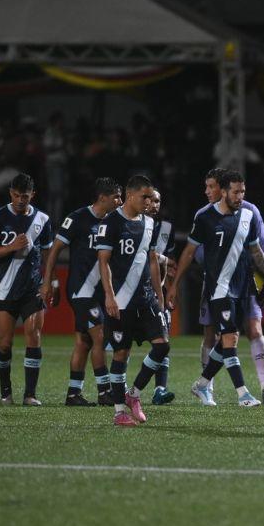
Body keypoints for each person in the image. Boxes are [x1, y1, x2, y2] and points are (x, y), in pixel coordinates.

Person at [167, 170, 264, 409]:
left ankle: (202, 384)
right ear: (224, 191)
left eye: (242, 192)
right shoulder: (205, 217)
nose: (240, 196)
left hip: (243, 287)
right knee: (226, 338)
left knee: (231, 338)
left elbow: (256, 249)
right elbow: (189, 252)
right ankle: (243, 394)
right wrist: (175, 284)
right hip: (218, 287)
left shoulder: (248, 214)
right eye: (235, 192)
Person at [41, 178, 122, 407]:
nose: (120, 201)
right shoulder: (78, 218)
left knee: (84, 342)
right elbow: (55, 250)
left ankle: (73, 393)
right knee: (100, 337)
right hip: (82, 290)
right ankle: (105, 391)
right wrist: (49, 282)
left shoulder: (114, 221)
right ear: (102, 198)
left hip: (101, 291)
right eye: (116, 197)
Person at [95, 175, 168, 427]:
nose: (148, 201)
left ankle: (133, 394)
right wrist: (109, 295)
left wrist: (159, 294)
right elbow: (103, 261)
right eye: (144, 197)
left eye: (151, 197)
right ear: (130, 195)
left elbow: (152, 260)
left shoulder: (149, 223)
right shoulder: (111, 222)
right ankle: (119, 413)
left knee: (162, 346)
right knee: (121, 353)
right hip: (121, 301)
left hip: (146, 299)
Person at [0, 173, 53, 406]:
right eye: (16, 195)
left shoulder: (42, 219)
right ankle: (6, 393)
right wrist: (11, 247)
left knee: (33, 335)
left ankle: (30, 395)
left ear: (33, 195)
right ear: (10, 193)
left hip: (32, 288)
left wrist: (51, 282)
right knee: (5, 343)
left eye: (25, 196)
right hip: (5, 289)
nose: (20, 200)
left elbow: (48, 254)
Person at [147, 188, 176, 405]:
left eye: (158, 201)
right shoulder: (130, 224)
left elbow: (171, 263)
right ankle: (120, 387)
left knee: (163, 340)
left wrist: (171, 291)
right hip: (133, 291)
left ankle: (160, 389)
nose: (154, 204)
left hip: (160, 292)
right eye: (150, 200)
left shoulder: (167, 228)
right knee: (124, 344)